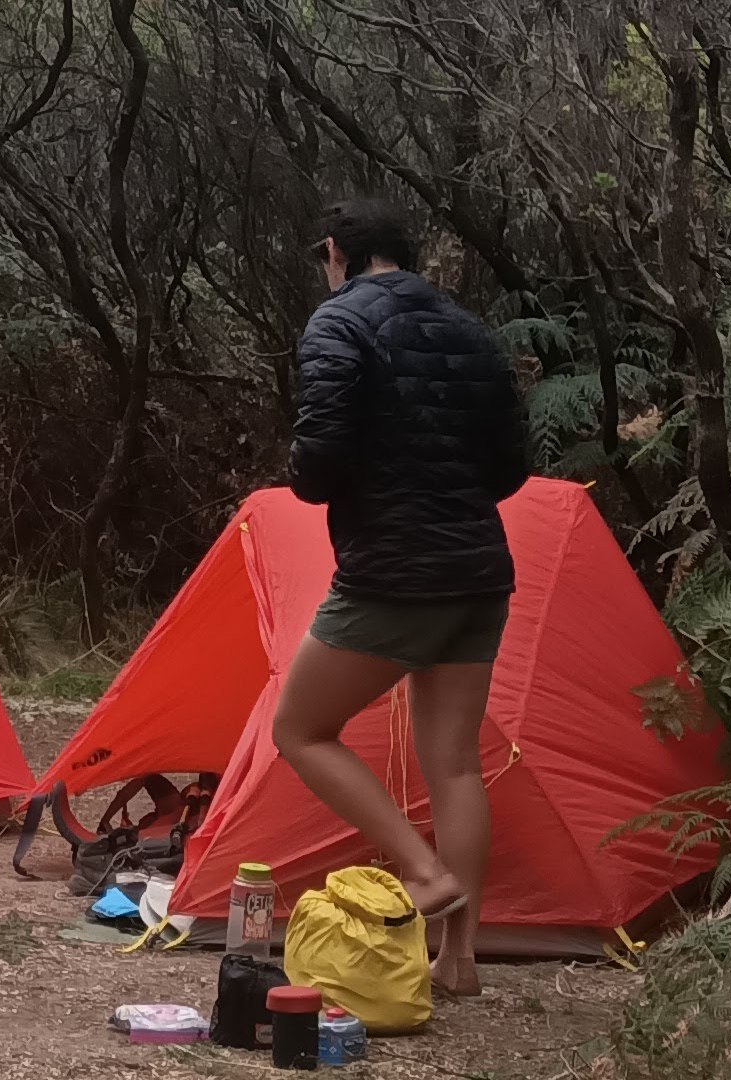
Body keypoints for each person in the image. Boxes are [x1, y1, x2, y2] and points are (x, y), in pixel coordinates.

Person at [272, 198, 528, 998]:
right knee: (452, 765)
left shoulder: (337, 323)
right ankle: (458, 962)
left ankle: (423, 871)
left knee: (301, 729)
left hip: (392, 573)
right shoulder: (466, 327)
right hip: (478, 573)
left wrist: (318, 478)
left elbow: (319, 458)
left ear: (335, 253)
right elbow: (512, 462)